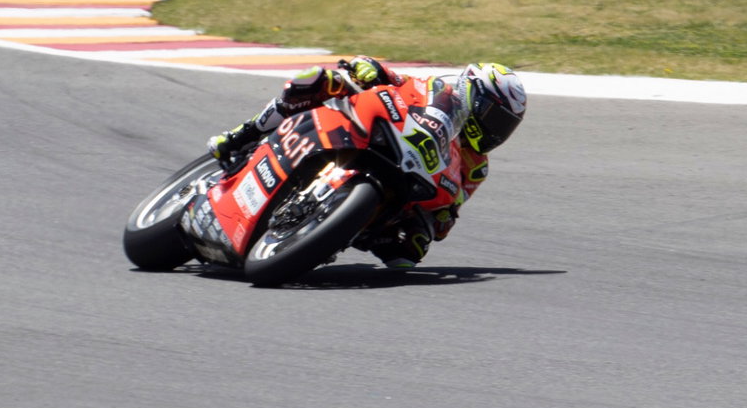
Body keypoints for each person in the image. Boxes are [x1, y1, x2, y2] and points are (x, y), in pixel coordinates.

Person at [207, 55, 527, 269]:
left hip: (409, 184)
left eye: (506, 127)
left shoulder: (476, 166)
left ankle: (330, 231)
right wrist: (369, 68)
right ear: (475, 97)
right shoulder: (435, 89)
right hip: (376, 135)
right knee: (317, 80)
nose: (497, 133)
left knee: (409, 255)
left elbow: (452, 208)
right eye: (495, 119)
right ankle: (244, 134)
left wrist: (438, 220)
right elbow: (392, 77)